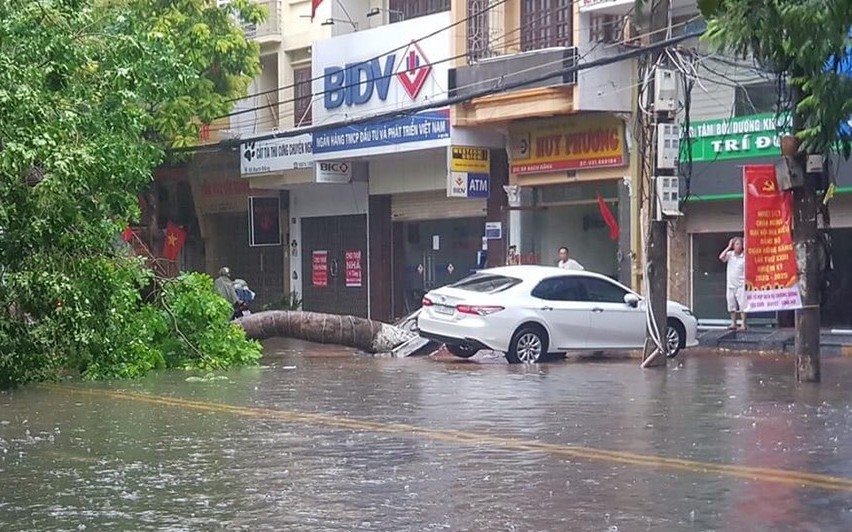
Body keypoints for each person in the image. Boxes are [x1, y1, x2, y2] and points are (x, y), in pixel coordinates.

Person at [719, 237, 747, 330]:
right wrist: (728, 247)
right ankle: (733, 323)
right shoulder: (730, 255)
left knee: (742, 305)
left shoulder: (744, 256)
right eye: (736, 244)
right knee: (731, 305)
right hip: (731, 284)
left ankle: (743, 324)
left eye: (740, 244)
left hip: (741, 284)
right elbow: (721, 257)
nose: (738, 246)